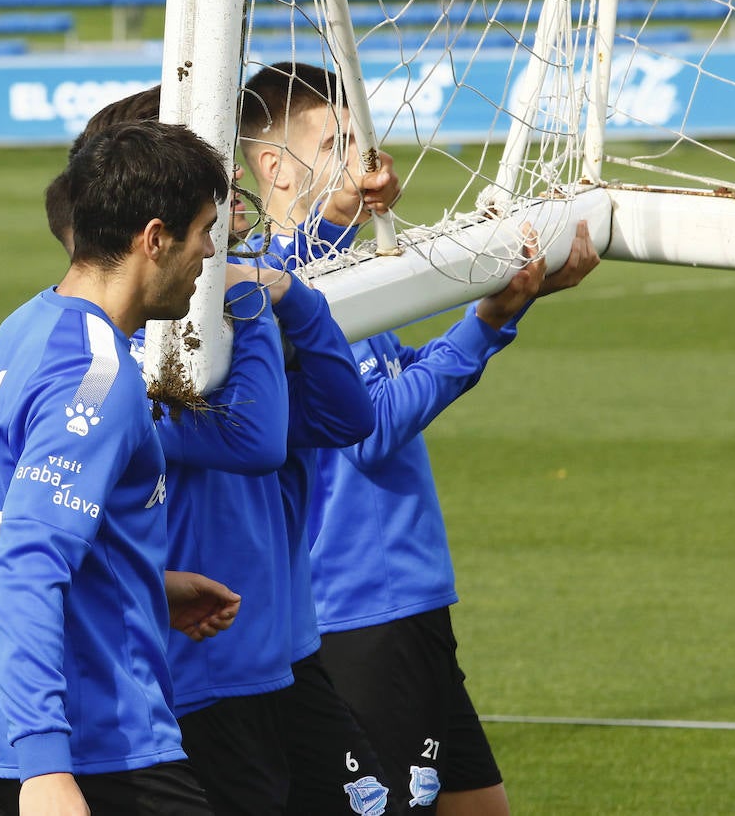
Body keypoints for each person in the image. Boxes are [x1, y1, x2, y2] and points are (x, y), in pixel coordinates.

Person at [240, 61, 601, 815]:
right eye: (339, 143)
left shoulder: (344, 265)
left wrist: (507, 302)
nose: (367, 162)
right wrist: (490, 323)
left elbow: (397, 368)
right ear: (274, 165)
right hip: (357, 610)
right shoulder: (287, 288)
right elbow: (370, 429)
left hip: (407, 600)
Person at [63, 90, 393, 816]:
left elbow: (346, 417)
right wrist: (249, 301)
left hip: (283, 653)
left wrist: (291, 297)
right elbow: (256, 442)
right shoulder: (122, 358)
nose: (231, 189)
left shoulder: (222, 313)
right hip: (201, 670)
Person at [0, 120, 243, 816]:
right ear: (154, 239)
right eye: (203, 230)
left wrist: (145, 585)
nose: (209, 253)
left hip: (2, 741)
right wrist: (50, 769)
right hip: (94, 750)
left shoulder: (17, 332)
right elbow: (26, 565)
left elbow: (12, 521)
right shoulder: (99, 379)